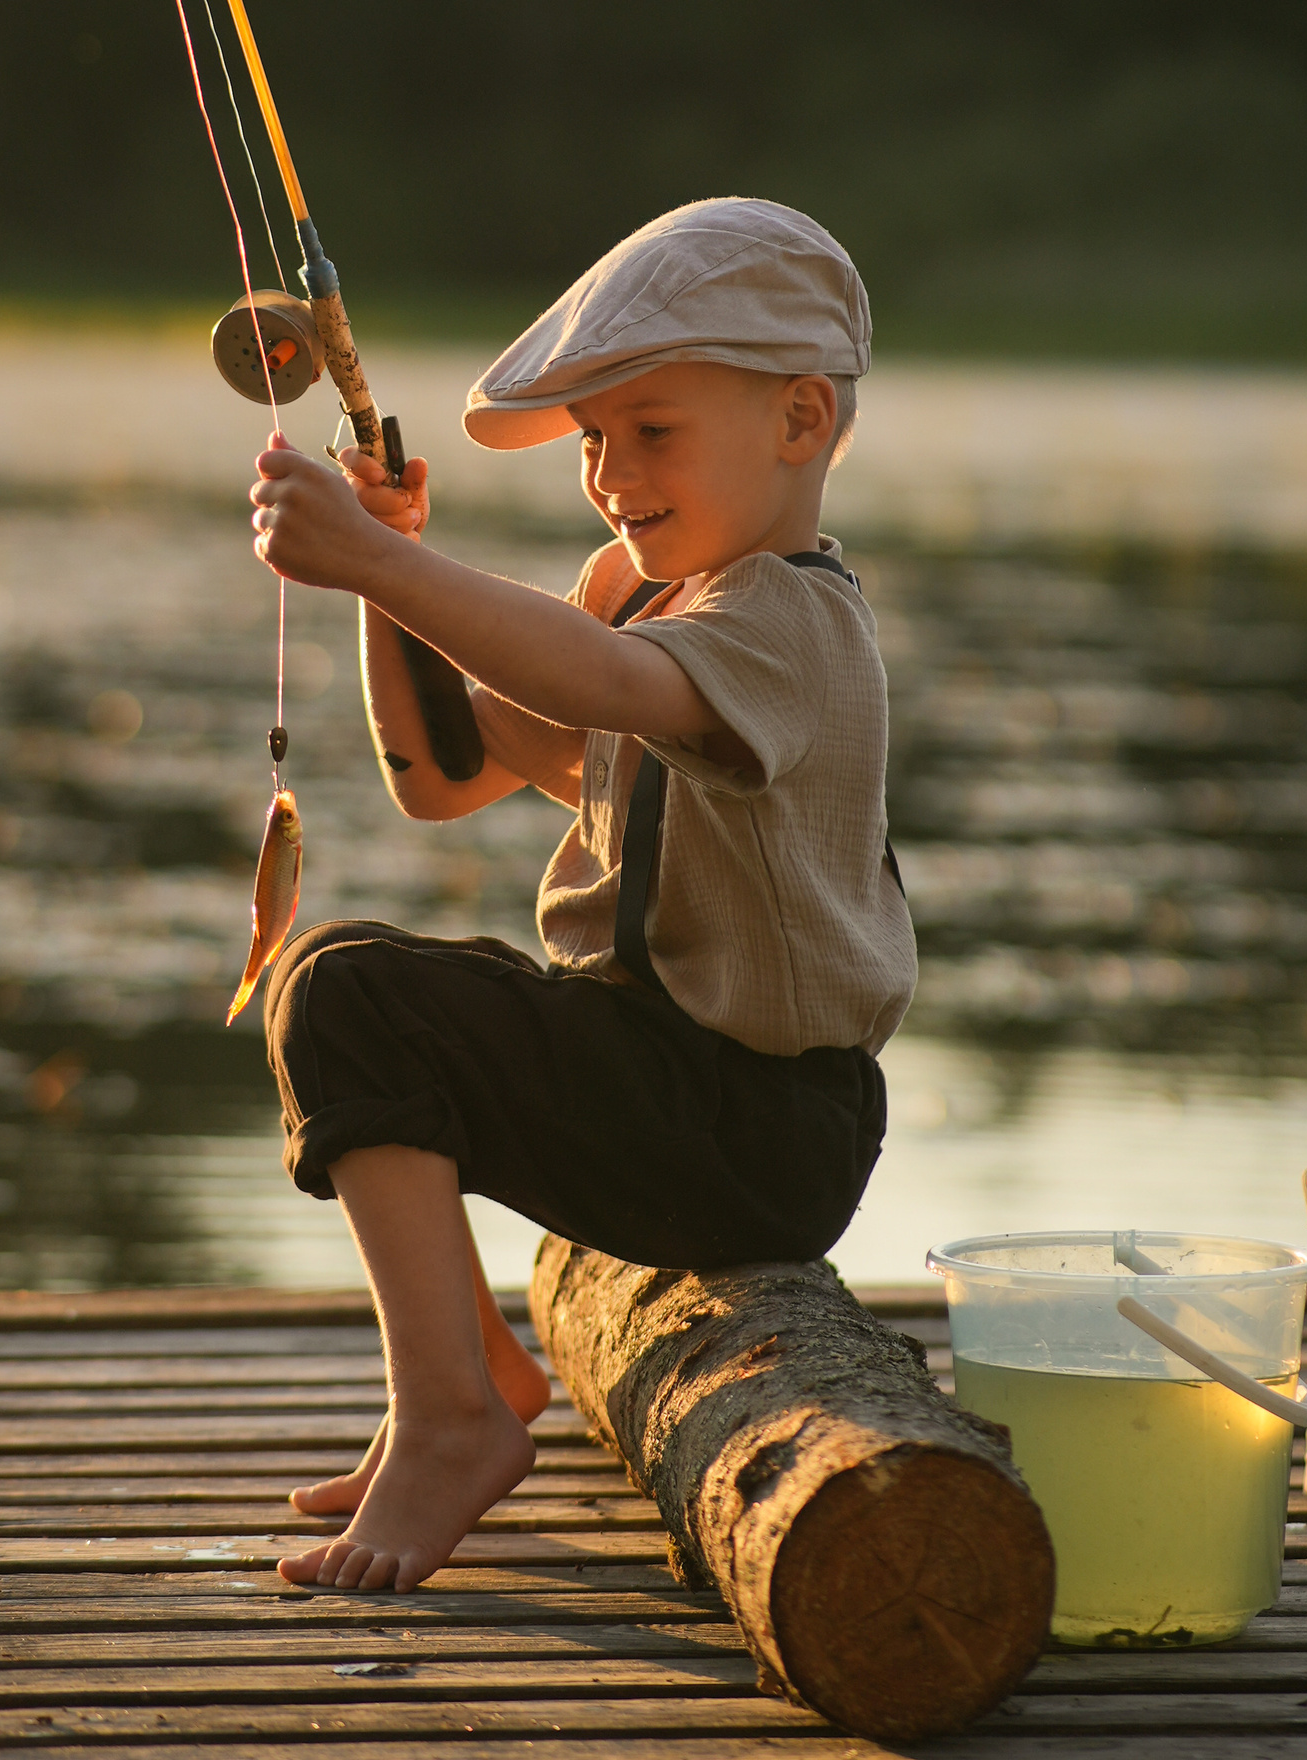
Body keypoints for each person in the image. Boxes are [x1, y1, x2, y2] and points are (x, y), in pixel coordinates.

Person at [241, 198, 914, 1592]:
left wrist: (386, 562)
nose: (611, 475)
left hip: (759, 1125)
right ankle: (458, 1378)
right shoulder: (643, 604)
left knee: (353, 995)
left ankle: (453, 1420)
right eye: (597, 439)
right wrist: (391, 579)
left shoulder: (789, 621)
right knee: (343, 978)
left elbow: (601, 688)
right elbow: (446, 770)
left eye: (651, 431)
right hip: (663, 1084)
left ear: (800, 422)